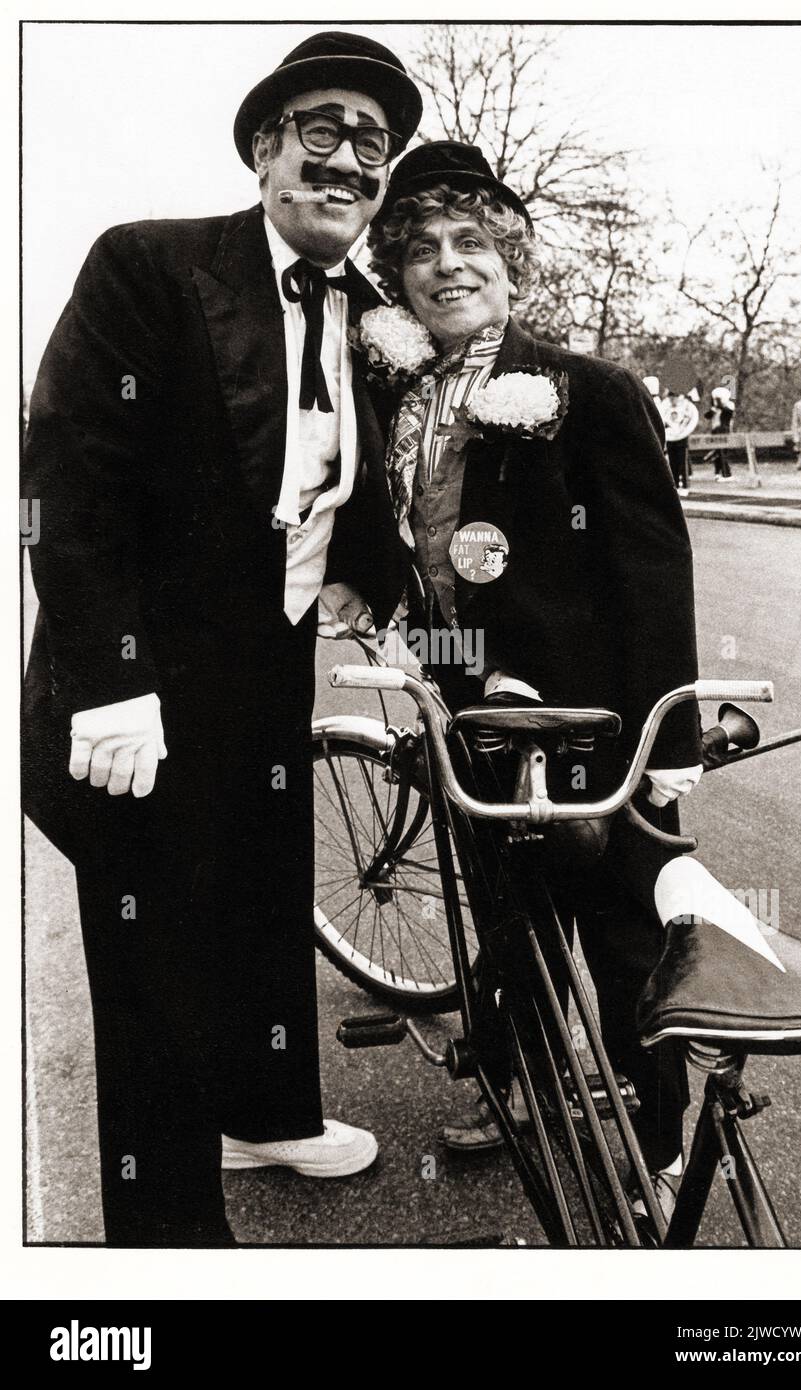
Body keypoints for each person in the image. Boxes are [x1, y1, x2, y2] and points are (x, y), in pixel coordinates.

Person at [22, 31, 422, 1247]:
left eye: (373, 142)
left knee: (258, 901)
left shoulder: (370, 317)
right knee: (154, 958)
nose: (348, 159)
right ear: (264, 149)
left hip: (265, 664)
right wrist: (108, 681)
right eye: (324, 129)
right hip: (140, 678)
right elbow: (65, 477)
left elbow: (342, 477)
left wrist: (380, 588)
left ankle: (267, 1110)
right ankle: (165, 1248)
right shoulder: (149, 265)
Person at [359, 141, 713, 1207]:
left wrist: (671, 742)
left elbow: (651, 571)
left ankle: (655, 1141)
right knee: (504, 912)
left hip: (585, 717)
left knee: (619, 930)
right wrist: (401, 640)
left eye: (470, 242)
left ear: (510, 260)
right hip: (462, 700)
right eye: (418, 249)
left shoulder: (586, 391)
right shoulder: (396, 398)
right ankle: (514, 1080)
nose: (445, 265)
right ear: (397, 275)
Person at [660, 390, 699, 491]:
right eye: (670, 398)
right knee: (672, 463)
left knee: (682, 463)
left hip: (682, 438)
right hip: (670, 438)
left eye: (674, 398)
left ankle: (685, 486)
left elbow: (689, 420)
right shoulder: (666, 407)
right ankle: (676, 485)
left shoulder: (685, 408)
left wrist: (682, 430)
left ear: (678, 397)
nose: (672, 400)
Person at [703, 386, 734, 479]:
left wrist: (720, 404)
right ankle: (717, 473)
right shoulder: (715, 408)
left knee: (722, 452)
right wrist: (714, 408)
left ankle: (727, 474)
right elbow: (707, 416)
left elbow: (728, 413)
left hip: (724, 431)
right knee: (717, 453)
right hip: (715, 430)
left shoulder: (730, 405)